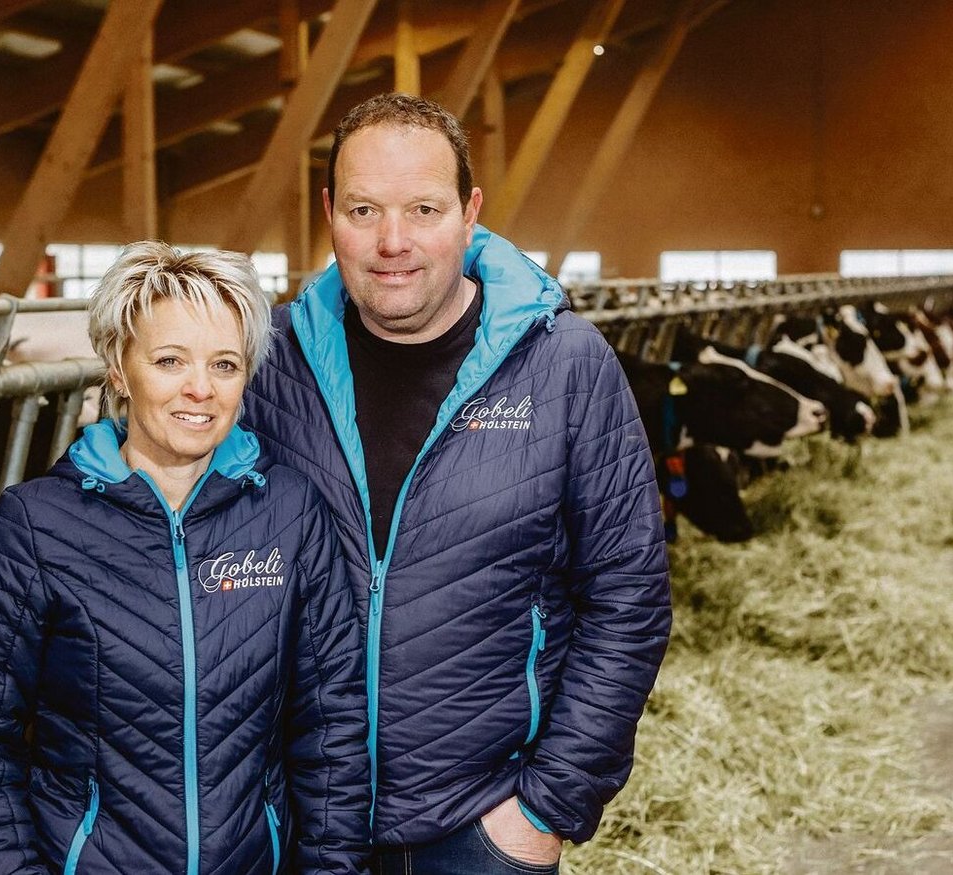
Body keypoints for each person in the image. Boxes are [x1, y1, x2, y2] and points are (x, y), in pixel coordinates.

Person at [242, 93, 672, 873]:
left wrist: (548, 804)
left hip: (480, 828)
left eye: (425, 209)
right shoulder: (270, 363)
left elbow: (629, 596)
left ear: (470, 212)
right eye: (365, 209)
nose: (392, 241)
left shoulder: (563, 364)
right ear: (330, 211)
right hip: (296, 824)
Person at [0, 244, 371, 874]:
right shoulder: (35, 527)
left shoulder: (292, 515)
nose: (201, 389)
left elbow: (332, 729)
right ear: (118, 368)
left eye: (225, 364)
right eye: (169, 360)